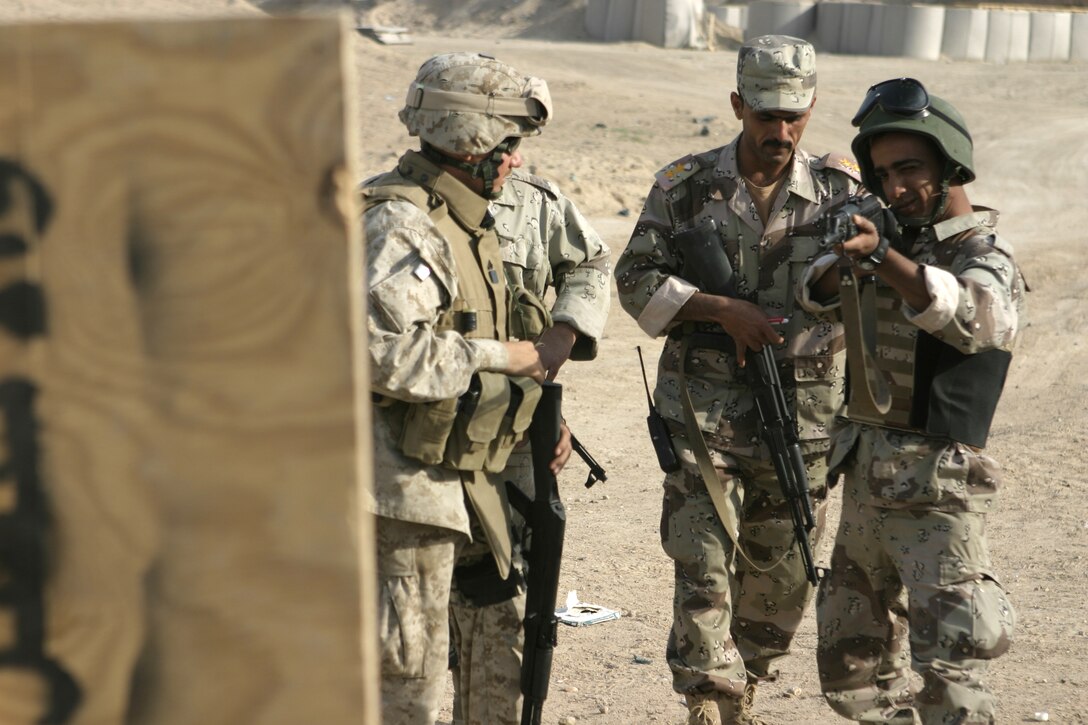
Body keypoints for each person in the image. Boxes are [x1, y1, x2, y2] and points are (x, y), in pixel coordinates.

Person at [614, 35, 863, 724]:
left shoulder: (842, 191)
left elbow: (872, 297)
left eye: (793, 117)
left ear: (810, 109)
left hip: (803, 417)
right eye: (764, 116)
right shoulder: (685, 186)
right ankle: (711, 696)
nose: (779, 132)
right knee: (701, 555)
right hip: (702, 409)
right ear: (737, 105)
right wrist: (719, 308)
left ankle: (743, 676)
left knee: (783, 572)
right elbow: (634, 278)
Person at [799, 79, 1022, 724]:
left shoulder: (983, 253)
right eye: (884, 173)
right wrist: (849, 260)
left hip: (937, 493)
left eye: (911, 170)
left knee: (951, 669)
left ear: (950, 166)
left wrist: (886, 258)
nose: (895, 187)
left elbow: (978, 319)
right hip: (867, 481)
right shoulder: (897, 241)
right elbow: (816, 300)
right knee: (854, 667)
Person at [361, 52, 573, 724]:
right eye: (507, 145)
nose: (514, 162)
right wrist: (501, 357)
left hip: (459, 480)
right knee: (406, 690)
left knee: (485, 655)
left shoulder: (458, 215)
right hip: (404, 497)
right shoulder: (403, 223)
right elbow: (382, 351)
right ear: (472, 140)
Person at [448, 165, 612, 725]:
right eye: (500, 140)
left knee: (507, 609)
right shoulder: (393, 209)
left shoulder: (535, 204)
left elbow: (591, 260)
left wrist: (561, 336)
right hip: (414, 451)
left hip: (510, 447)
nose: (511, 158)